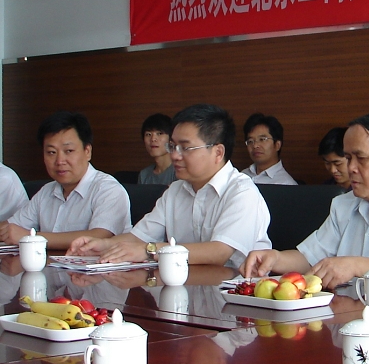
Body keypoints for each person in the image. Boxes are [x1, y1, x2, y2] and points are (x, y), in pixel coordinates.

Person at [242, 112, 369, 290]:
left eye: (361, 158)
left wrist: (357, 266)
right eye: (349, 158)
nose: (351, 168)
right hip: (346, 313)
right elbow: (311, 257)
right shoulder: (344, 204)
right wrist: (275, 258)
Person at [68, 104, 270, 269]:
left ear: (218, 152)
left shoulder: (242, 192)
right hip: (185, 291)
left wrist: (150, 251)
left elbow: (218, 252)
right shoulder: (175, 190)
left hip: (236, 297)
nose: (174, 155)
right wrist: (104, 245)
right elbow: (139, 237)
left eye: (185, 148)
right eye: (173, 146)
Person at [0, 112, 131, 250]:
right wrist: (10, 232)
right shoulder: (46, 192)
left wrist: (31, 237)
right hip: (50, 263)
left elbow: (99, 236)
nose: (60, 161)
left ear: (87, 151)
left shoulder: (108, 190)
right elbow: (11, 229)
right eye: (51, 152)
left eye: (68, 151)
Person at [240, 113, 297, 185]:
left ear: (277, 145)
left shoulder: (286, 184)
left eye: (262, 139)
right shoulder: (241, 176)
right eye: (250, 141)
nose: (255, 145)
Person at [138, 113, 177, 185]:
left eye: (159, 133)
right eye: (148, 134)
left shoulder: (179, 171)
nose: (153, 139)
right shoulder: (144, 175)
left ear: (171, 139)